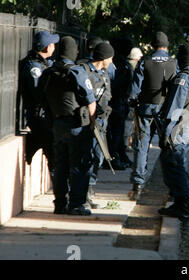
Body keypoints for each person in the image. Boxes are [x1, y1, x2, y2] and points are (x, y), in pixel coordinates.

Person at [40, 36, 97, 215]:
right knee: (79, 164)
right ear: (73, 51)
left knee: (60, 165)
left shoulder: (48, 72)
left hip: (57, 124)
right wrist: (93, 124)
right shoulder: (77, 72)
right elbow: (90, 100)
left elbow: (42, 97)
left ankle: (59, 203)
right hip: (77, 125)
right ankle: (76, 204)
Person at [157, 42, 189, 221]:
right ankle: (179, 202)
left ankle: (181, 205)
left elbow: (174, 108)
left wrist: (166, 132)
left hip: (179, 127)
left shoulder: (183, 78)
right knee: (179, 164)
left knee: (172, 164)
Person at [127, 31, 177, 200]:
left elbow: (135, 90)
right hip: (165, 111)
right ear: (167, 46)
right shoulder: (173, 63)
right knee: (168, 146)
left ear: (152, 45)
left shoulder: (144, 62)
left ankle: (138, 184)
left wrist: (133, 103)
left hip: (145, 110)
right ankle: (171, 186)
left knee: (141, 146)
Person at [19, 31, 59, 179]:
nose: (54, 46)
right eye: (52, 44)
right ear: (47, 47)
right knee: (53, 155)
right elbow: (39, 94)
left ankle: (33, 145)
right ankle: (61, 196)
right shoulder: (34, 67)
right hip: (39, 117)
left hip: (44, 117)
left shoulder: (43, 63)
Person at [79, 42, 115, 209]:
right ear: (104, 57)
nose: (112, 60)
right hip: (90, 120)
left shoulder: (105, 72)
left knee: (99, 156)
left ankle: (90, 187)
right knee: (88, 156)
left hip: (102, 119)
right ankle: (85, 192)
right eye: (110, 57)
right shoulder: (85, 71)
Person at [107, 37, 134, 170]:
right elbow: (115, 83)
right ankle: (112, 158)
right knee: (115, 132)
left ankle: (120, 154)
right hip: (115, 101)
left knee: (119, 130)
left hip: (121, 101)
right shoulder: (116, 63)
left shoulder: (121, 62)